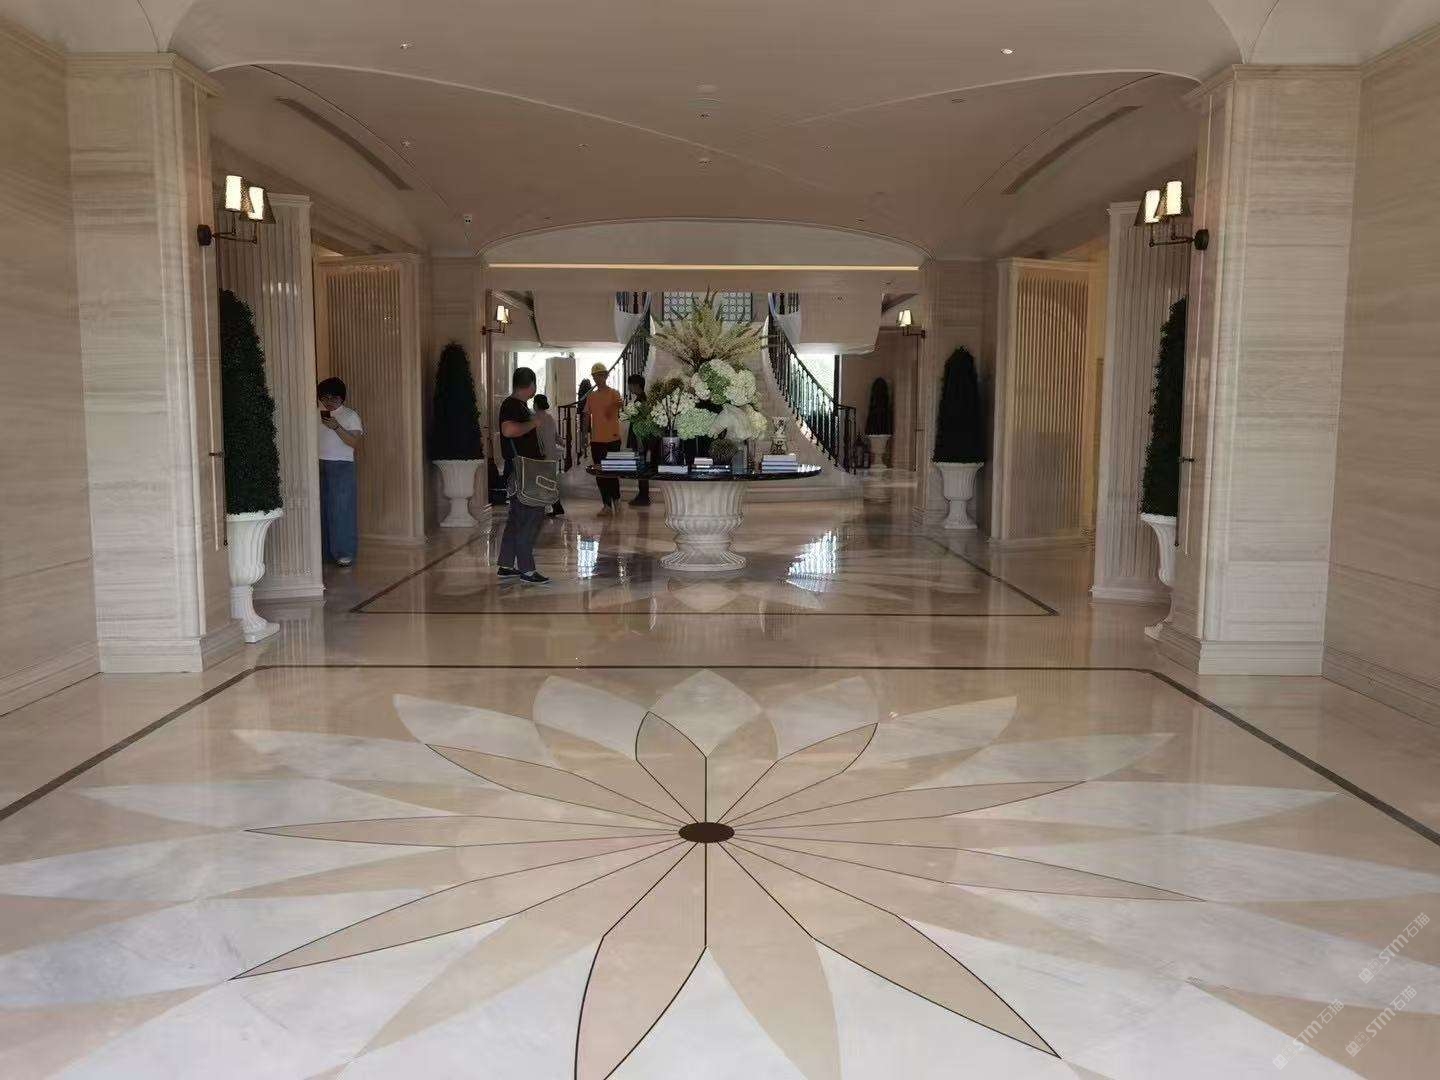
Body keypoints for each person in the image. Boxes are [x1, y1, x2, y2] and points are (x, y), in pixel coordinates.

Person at [496, 367, 550, 584]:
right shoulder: (511, 404)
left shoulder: (518, 405)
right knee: (531, 516)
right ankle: (527, 570)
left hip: (523, 469)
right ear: (532, 385)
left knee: (517, 518)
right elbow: (508, 430)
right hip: (523, 471)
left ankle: (506, 564)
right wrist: (534, 423)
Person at [316, 377, 363, 567]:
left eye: (333, 398)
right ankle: (324, 553)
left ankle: (345, 552)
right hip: (318, 464)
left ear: (341, 398)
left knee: (342, 509)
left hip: (342, 465)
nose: (328, 402)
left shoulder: (350, 416)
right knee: (321, 509)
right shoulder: (314, 413)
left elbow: (354, 442)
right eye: (324, 397)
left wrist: (336, 427)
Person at [584, 361, 625, 515]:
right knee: (600, 474)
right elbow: (586, 416)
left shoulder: (614, 393)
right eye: (595, 376)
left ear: (606, 376)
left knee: (612, 472)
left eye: (600, 375)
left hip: (613, 439)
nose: (598, 378)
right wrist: (584, 435)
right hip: (596, 440)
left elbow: (620, 406)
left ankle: (617, 500)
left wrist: (612, 407)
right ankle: (606, 505)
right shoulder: (591, 396)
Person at [532, 393, 565, 517]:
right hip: (551, 454)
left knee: (541, 482)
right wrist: (563, 443)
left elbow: (536, 439)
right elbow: (556, 436)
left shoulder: (534, 419)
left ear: (536, 404)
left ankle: (546, 508)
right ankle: (556, 506)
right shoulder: (550, 418)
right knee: (549, 481)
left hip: (541, 455)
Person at [625, 372, 652, 507]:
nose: (629, 388)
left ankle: (643, 496)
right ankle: (643, 495)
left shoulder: (641, 402)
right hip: (639, 439)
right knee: (641, 468)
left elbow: (640, 424)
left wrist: (640, 442)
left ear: (636, 385)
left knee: (641, 468)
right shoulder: (641, 399)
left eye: (630, 385)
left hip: (640, 440)